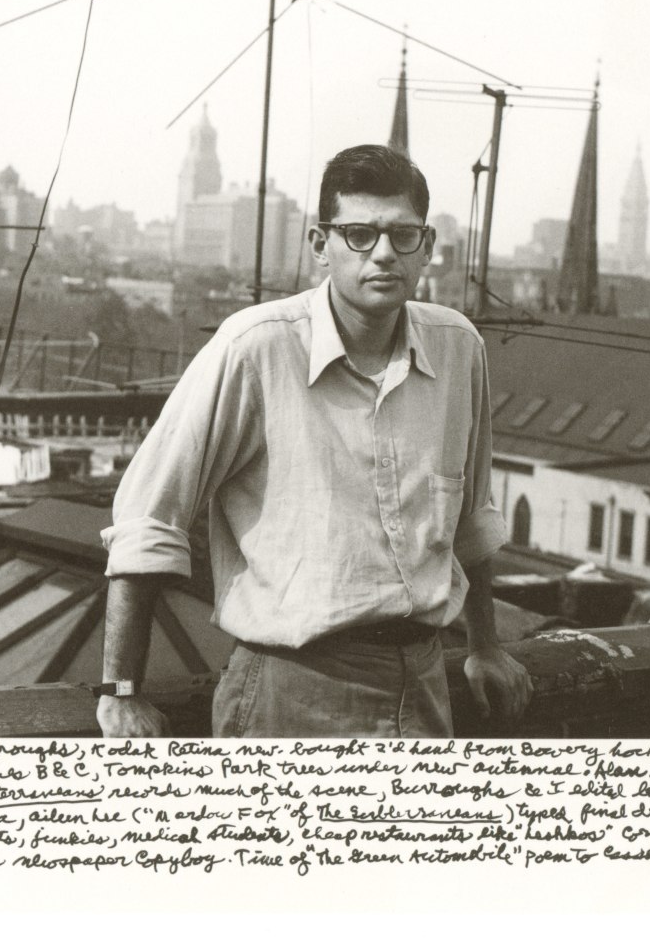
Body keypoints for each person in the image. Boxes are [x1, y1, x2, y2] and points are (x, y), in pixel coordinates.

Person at [96, 144, 532, 737]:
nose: (384, 253)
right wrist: (121, 691)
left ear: (428, 246)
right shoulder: (256, 347)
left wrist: (485, 646)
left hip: (425, 685)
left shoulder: (458, 348)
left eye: (403, 235)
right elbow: (149, 517)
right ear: (320, 244)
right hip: (290, 692)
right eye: (359, 234)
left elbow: (472, 521)